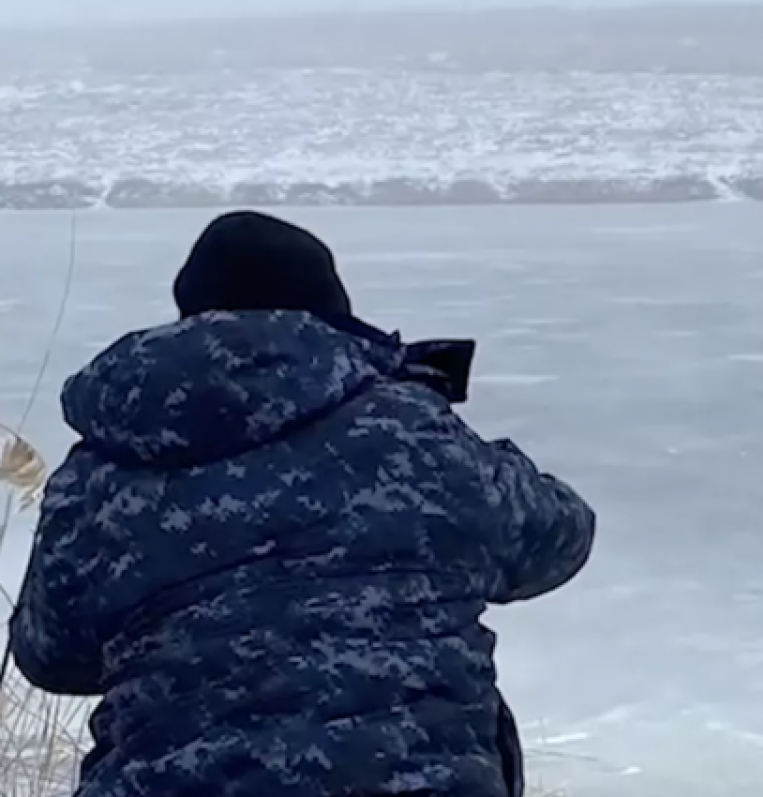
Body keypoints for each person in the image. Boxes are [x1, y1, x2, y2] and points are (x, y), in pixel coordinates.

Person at [9, 210, 597, 797]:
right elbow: (560, 536)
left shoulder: (103, 471)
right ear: (331, 314)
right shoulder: (409, 433)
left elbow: (49, 656)